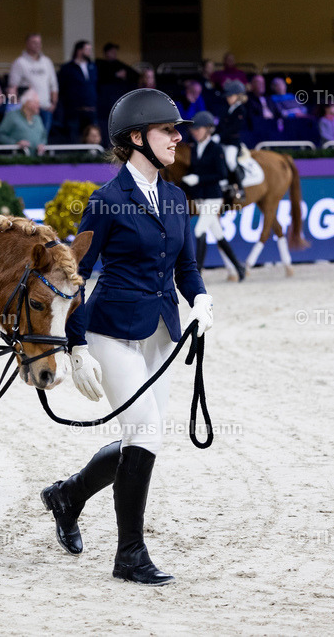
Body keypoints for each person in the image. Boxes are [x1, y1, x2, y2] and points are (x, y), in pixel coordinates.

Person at [41, 88, 213, 586]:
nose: (178, 138)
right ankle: (129, 556)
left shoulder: (178, 198)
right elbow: (77, 276)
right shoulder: (107, 200)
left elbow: (186, 265)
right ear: (137, 138)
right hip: (111, 331)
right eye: (168, 131)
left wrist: (198, 298)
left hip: (161, 329)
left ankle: (68, 495)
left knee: (144, 435)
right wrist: (74, 346)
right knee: (145, 433)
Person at [181, 111, 246, 281]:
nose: (195, 132)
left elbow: (221, 174)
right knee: (219, 235)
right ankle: (239, 268)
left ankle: (198, 273)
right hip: (201, 198)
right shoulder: (194, 148)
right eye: (193, 130)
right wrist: (187, 179)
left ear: (208, 129)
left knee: (199, 230)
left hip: (214, 197)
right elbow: (194, 170)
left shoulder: (216, 148)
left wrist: (199, 179)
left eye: (198, 129)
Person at [7, 33, 58, 135]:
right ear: (27, 44)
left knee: (43, 140)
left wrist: (54, 103)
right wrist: (16, 106)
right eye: (34, 42)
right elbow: (12, 87)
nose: (38, 45)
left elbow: (53, 84)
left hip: (45, 107)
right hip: (28, 111)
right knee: (30, 138)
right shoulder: (20, 62)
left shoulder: (47, 62)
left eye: (39, 43)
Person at [58, 40, 98, 143]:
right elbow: (62, 89)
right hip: (74, 110)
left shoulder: (93, 66)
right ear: (79, 50)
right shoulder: (67, 68)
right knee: (74, 138)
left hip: (91, 109)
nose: (89, 52)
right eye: (87, 49)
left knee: (92, 136)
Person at [216, 80, 248, 200]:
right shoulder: (227, 109)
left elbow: (234, 128)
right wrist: (213, 135)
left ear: (238, 96)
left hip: (232, 143)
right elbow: (220, 125)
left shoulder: (241, 110)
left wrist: (220, 136)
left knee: (230, 161)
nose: (228, 98)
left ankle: (240, 187)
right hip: (222, 141)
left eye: (230, 96)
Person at [0, 89, 48, 154]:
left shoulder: (38, 118)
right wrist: (16, 143)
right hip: (18, 161)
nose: (39, 106)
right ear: (27, 103)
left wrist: (42, 144)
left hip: (37, 161)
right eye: (36, 103)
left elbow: (43, 137)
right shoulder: (12, 116)